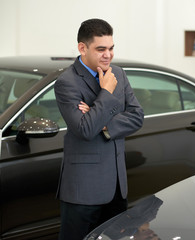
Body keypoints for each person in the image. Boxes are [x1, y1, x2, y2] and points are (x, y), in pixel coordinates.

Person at [54, 18, 144, 240]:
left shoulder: (119, 74)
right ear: (82, 48)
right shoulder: (67, 82)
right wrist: (106, 93)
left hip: (116, 187)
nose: (108, 55)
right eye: (101, 49)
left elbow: (137, 117)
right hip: (83, 190)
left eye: (111, 48)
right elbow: (84, 130)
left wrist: (102, 122)